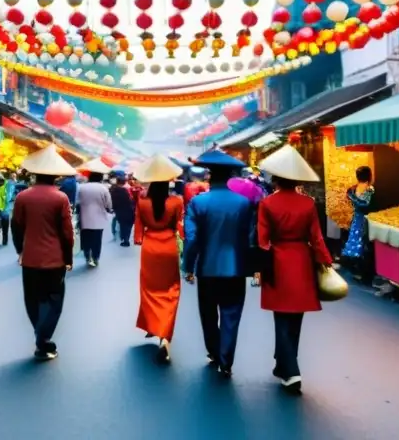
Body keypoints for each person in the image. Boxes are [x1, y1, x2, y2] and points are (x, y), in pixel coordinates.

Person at [257, 145, 334, 395]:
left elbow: (262, 240)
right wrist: (325, 261)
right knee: (295, 318)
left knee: (281, 317)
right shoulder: (308, 204)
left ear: (276, 179)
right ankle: (284, 365)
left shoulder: (267, 204)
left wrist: (260, 267)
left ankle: (291, 371)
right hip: (301, 260)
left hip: (278, 260)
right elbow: (317, 237)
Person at [182, 148, 253, 378]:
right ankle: (226, 360)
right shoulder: (243, 204)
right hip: (236, 267)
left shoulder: (197, 203)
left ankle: (213, 352)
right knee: (232, 314)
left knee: (208, 313)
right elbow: (250, 237)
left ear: (209, 176)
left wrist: (188, 266)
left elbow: (191, 239)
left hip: (207, 267)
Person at [12, 145, 75, 360]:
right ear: (55, 175)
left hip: (30, 258)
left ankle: (41, 335)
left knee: (33, 299)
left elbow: (16, 226)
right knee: (54, 299)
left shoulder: (23, 197)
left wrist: (21, 250)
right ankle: (43, 338)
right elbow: (67, 233)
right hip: (55, 259)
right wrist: (68, 257)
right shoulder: (60, 198)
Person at [132, 155, 185, 363]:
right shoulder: (176, 202)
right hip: (169, 246)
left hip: (150, 247)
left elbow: (138, 229)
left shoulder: (143, 202)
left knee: (149, 291)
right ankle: (164, 336)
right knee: (171, 291)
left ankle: (154, 325)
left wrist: (139, 238)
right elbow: (179, 226)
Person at [342, 165, 375, 282]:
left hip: (361, 218)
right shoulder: (366, 189)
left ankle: (360, 269)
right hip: (361, 218)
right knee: (359, 242)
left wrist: (352, 198)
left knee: (359, 242)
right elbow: (364, 204)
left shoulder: (356, 190)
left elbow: (363, 203)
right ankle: (358, 269)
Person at [76, 162, 112, 267]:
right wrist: (108, 209)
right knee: (97, 240)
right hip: (99, 219)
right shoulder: (103, 188)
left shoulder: (82, 187)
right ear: (100, 178)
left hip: (84, 218)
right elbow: (108, 203)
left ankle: (87, 256)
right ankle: (96, 258)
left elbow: (78, 202)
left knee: (86, 238)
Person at [110, 173, 135, 247]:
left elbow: (112, 202)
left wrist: (113, 208)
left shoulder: (113, 191)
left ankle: (123, 238)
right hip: (129, 210)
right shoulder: (126, 190)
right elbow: (130, 199)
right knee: (128, 225)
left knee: (123, 225)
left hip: (120, 211)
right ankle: (126, 238)